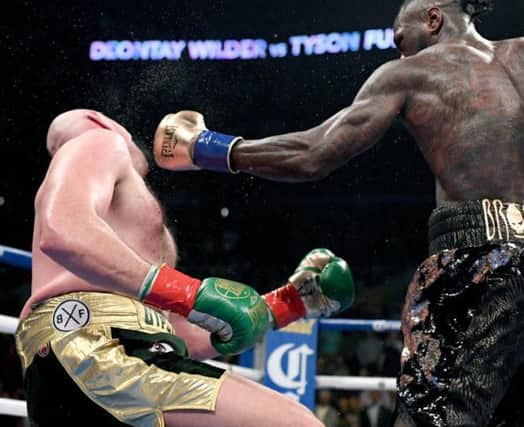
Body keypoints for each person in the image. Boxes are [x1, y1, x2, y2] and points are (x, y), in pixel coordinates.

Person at [152, 1, 524, 425]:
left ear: (433, 18)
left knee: (431, 416)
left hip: (479, 262)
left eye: (400, 39)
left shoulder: (412, 72)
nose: (399, 51)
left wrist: (208, 149)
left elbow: (314, 154)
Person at [15, 109, 355, 427]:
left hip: (102, 361)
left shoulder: (120, 244)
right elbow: (61, 228)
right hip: (91, 348)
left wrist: (288, 304)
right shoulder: (99, 140)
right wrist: (187, 292)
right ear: (100, 120)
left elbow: (165, 334)